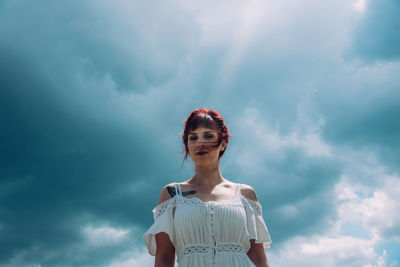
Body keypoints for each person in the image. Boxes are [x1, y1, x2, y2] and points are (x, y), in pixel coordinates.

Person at [143, 108, 272, 267]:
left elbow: (258, 257)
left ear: (223, 143)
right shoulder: (172, 195)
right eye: (193, 137)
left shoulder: (245, 195)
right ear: (187, 146)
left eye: (208, 136)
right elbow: (164, 257)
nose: (200, 143)